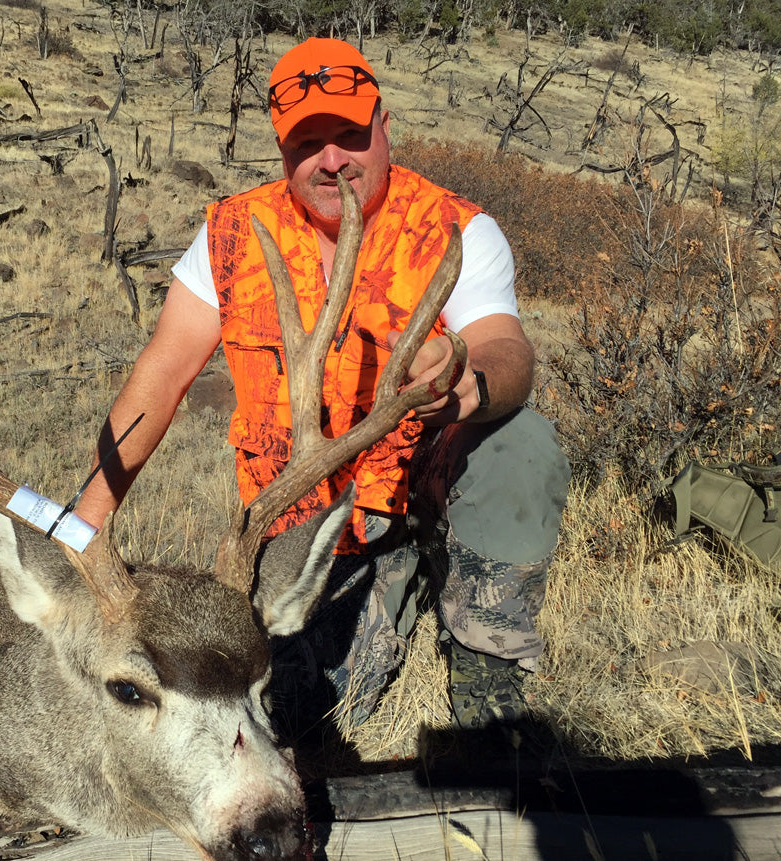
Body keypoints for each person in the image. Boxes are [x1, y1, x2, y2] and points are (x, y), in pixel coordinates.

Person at [74, 38, 570, 733]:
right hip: (289, 536)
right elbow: (164, 370)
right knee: (295, 712)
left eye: (349, 135)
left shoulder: (454, 230)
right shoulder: (234, 235)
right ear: (283, 152)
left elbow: (507, 350)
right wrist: (82, 521)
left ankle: (488, 687)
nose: (331, 159)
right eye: (309, 142)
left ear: (385, 127)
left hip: (403, 506)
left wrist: (466, 380)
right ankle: (388, 605)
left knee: (518, 440)